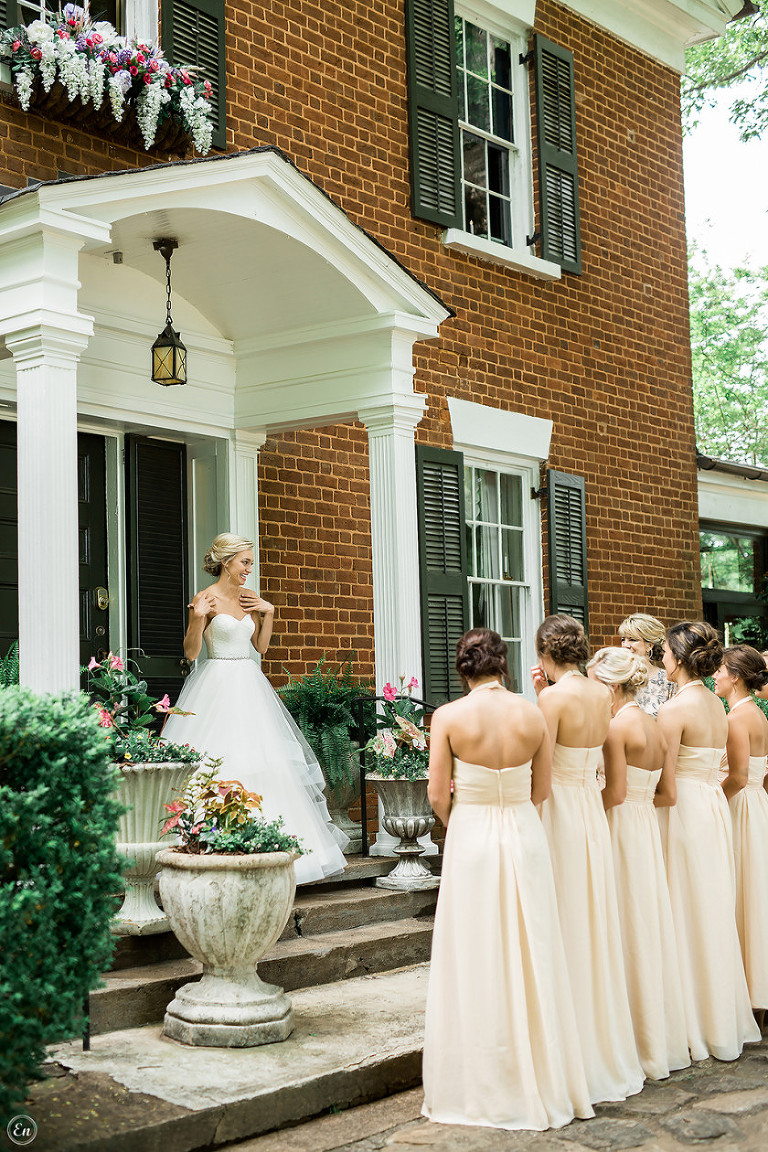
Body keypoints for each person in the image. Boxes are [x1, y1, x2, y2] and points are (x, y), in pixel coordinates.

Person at [422, 628, 594, 1131]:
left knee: (474, 952)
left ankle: (481, 1078)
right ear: (504, 665)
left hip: (472, 837)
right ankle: (538, 1075)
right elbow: (542, 789)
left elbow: (436, 794)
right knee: (532, 948)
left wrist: (464, 821)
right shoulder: (533, 712)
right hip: (524, 833)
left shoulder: (449, 716)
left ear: (464, 668)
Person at [161, 532, 348, 884]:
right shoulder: (206, 599)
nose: (250, 567)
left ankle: (273, 853)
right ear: (226, 561)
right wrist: (197, 618)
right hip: (216, 684)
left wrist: (269, 612)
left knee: (266, 763)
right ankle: (213, 853)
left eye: (250, 562)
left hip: (249, 683)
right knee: (218, 761)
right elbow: (190, 652)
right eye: (245, 561)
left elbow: (261, 647)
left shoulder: (249, 599)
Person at [532, 615, 644, 1105]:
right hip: (589, 810)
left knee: (560, 913)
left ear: (544, 654)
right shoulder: (602, 696)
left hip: (558, 808)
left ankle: (564, 1035)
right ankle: (599, 1032)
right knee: (591, 915)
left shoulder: (551, 699)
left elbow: (541, 768)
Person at [657, 621, 759, 1060]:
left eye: (663, 652)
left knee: (680, 908)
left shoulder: (672, 711)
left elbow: (663, 781)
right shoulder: (719, 708)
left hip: (681, 809)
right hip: (712, 808)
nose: (659, 659)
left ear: (678, 659)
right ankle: (718, 1013)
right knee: (709, 908)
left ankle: (687, 1017)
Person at [587, 647, 689, 1080]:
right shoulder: (654, 724)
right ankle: (658, 1033)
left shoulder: (616, 729)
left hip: (620, 827)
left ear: (609, 686)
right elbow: (668, 794)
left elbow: (613, 792)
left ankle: (628, 1034)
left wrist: (583, 802)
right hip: (646, 827)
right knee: (647, 924)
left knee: (622, 925)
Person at [714, 645, 768, 1011]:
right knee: (755, 891)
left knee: (742, 892)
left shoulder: (736, 719)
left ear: (735, 676)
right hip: (757, 804)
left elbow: (737, 776)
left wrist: (711, 801)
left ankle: (750, 992)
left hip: (740, 806)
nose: (714, 675)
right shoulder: (758, 715)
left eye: (719, 670)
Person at [618, 613, 675, 716]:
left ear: (649, 645)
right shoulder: (618, 678)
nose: (625, 645)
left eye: (632, 640)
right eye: (623, 640)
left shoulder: (669, 681)